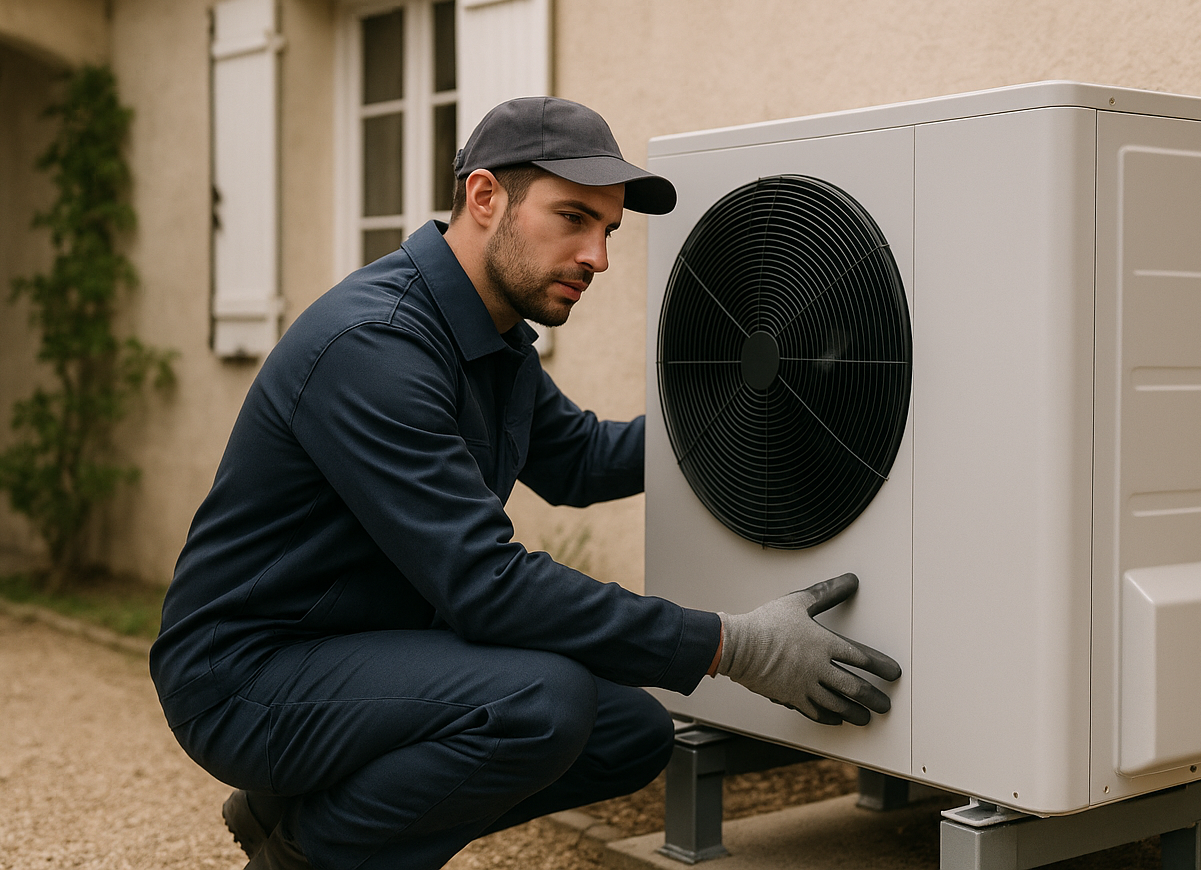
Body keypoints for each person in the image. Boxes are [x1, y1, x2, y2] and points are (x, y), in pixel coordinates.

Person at [149, 96, 902, 870]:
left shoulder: (492, 335)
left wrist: (760, 403)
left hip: (360, 650)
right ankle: (305, 856)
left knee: (630, 736)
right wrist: (731, 645)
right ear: (484, 198)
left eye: (607, 230)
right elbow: (487, 585)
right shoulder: (375, 347)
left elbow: (579, 460)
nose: (597, 257)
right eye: (572, 217)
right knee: (540, 705)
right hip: (245, 674)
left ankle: (298, 805)